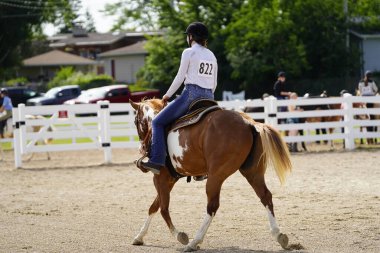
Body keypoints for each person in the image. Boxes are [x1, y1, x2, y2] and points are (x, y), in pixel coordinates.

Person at [141, 22, 218, 174]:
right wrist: (208, 95)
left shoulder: (188, 52)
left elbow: (180, 77)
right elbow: (214, 82)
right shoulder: (211, 55)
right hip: (209, 96)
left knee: (157, 122)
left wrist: (167, 95)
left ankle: (156, 160)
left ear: (191, 37)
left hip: (191, 94)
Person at [357, 70, 378, 144]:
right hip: (370, 100)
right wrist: (374, 94)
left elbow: (359, 90)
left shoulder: (360, 82)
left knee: (359, 113)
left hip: (363, 100)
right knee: (372, 117)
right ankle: (371, 136)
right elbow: (376, 90)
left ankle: (357, 116)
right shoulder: (372, 82)